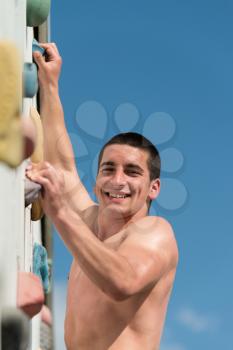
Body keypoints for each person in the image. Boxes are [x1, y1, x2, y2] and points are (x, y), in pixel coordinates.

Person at [26, 43, 179, 350]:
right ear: (97, 181)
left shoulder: (155, 233)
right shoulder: (90, 222)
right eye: (109, 168)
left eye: (132, 172)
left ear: (154, 188)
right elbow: (63, 167)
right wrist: (50, 84)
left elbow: (122, 282)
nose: (117, 180)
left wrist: (60, 213)